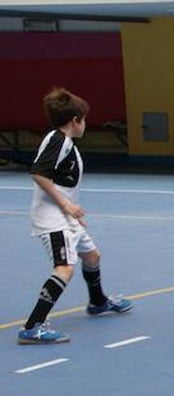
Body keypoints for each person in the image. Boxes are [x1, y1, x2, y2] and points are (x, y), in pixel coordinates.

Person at [17, 88, 133, 344]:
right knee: (64, 268)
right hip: (53, 218)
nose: (85, 124)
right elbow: (38, 173)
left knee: (92, 256)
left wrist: (70, 209)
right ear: (75, 120)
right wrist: (66, 206)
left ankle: (98, 301)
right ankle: (33, 326)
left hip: (65, 216)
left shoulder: (65, 143)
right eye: (84, 119)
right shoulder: (57, 141)